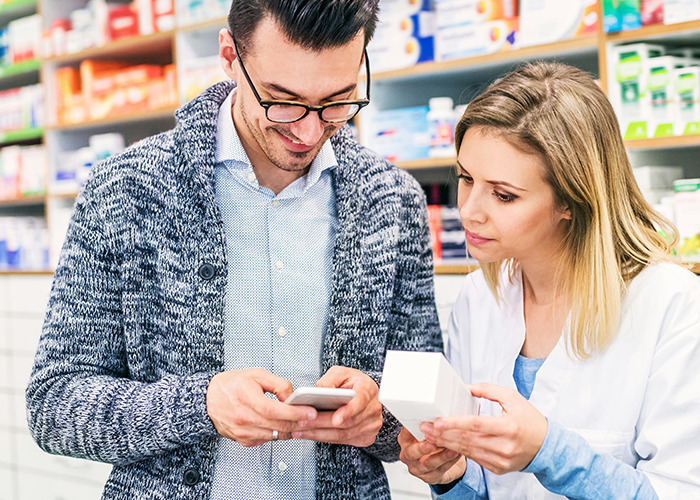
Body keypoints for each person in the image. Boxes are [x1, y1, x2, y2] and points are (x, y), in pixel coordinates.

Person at [25, 1, 443, 499]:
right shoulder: (127, 189)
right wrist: (200, 404)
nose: (308, 131)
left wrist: (380, 420)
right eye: (281, 100)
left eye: (338, 100)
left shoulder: (393, 200)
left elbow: (426, 409)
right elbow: (53, 406)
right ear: (229, 56)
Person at [398, 62, 700, 499]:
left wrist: (549, 453)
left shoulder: (673, 306)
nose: (469, 211)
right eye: (465, 179)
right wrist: (449, 477)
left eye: (504, 195)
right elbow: (483, 488)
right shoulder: (480, 297)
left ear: (571, 200)